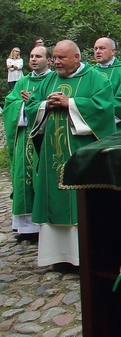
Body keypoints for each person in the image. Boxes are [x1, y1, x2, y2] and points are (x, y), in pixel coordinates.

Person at [26, 40, 116, 266]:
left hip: (79, 153)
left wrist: (71, 104)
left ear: (76, 57)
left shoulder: (96, 79)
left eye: (61, 58)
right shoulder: (49, 79)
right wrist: (46, 105)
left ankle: (81, 258)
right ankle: (55, 257)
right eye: (54, 57)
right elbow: (32, 105)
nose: (56, 62)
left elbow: (104, 109)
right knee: (53, 199)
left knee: (79, 203)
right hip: (51, 153)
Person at [2, 46, 53, 235]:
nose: (33, 59)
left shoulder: (53, 80)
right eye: (31, 56)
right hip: (25, 137)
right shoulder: (23, 81)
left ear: (49, 60)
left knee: (43, 176)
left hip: (45, 136)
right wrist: (23, 105)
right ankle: (24, 226)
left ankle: (43, 224)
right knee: (23, 176)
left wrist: (34, 103)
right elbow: (9, 105)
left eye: (38, 56)